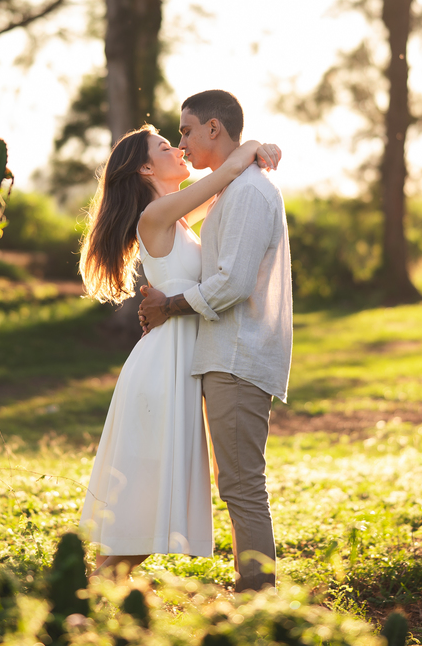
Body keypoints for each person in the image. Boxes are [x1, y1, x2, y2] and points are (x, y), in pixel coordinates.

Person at [77, 122, 281, 579]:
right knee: (149, 495)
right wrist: (252, 145)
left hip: (179, 361)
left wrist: (254, 151)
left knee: (154, 494)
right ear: (147, 166)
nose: (181, 150)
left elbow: (228, 183)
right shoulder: (157, 216)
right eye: (168, 146)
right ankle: (89, 591)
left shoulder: (177, 217)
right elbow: (227, 170)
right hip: (164, 368)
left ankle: (90, 591)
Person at [138, 89, 292, 592]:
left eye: (184, 130)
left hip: (237, 354)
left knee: (243, 485)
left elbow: (233, 283)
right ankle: (254, 590)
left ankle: (257, 596)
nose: (181, 142)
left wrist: (170, 305)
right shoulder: (231, 190)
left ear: (213, 129)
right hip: (224, 353)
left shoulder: (247, 193)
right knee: (239, 483)